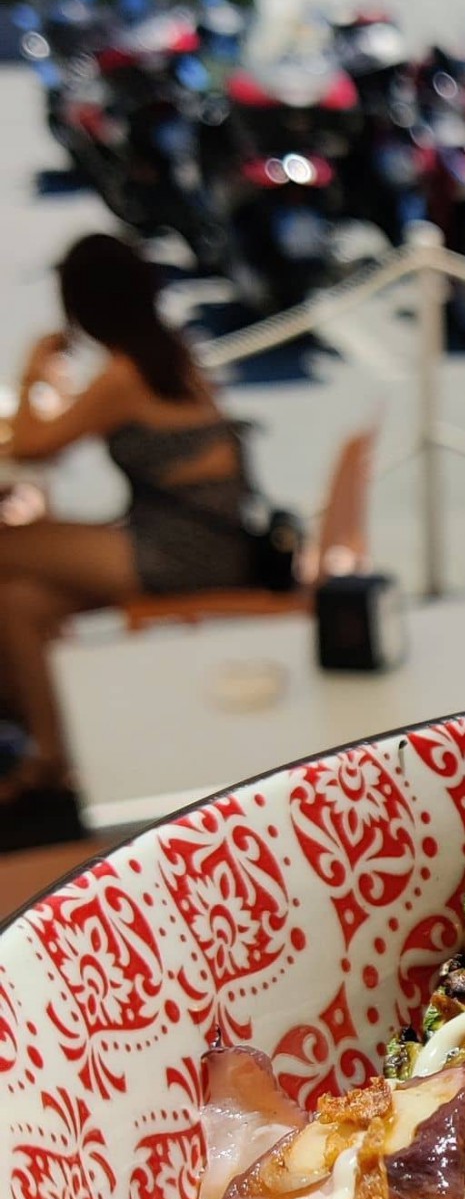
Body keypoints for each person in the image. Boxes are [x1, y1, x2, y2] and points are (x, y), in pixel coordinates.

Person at [0, 234, 256, 831]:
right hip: (206, 540)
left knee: (7, 548)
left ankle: (43, 747)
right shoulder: (166, 351)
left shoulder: (123, 372)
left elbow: (37, 444)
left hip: (179, 550)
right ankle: (53, 757)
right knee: (19, 602)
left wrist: (34, 368)